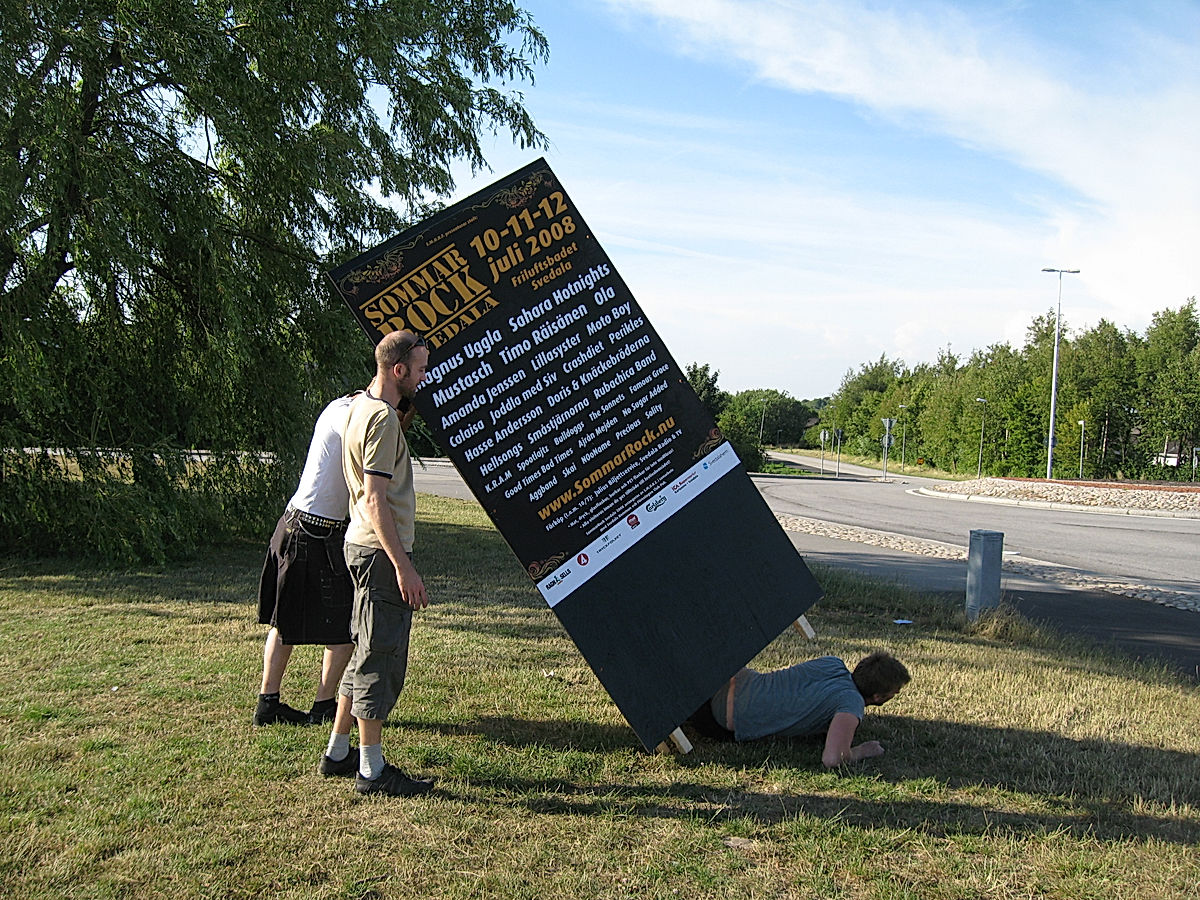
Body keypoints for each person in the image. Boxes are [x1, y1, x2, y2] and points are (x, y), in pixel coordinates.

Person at [318, 330, 437, 796]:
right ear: (399, 369)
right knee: (379, 656)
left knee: (365, 647)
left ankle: (339, 751)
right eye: (421, 368)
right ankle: (371, 769)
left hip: (359, 547)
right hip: (379, 552)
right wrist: (403, 566)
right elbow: (374, 497)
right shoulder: (383, 419)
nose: (424, 378)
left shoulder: (358, 409)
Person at [254, 392, 360, 727]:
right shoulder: (351, 414)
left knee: (287, 622)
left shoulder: (340, 406)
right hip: (312, 532)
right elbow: (366, 451)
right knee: (343, 628)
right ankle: (320, 707)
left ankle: (270, 704)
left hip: (299, 524)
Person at [700, 651, 910, 767]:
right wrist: (863, 750)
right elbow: (833, 759)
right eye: (895, 692)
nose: (895, 695)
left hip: (727, 678)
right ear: (877, 697)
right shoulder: (850, 703)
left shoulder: (832, 664)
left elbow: (800, 696)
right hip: (718, 717)